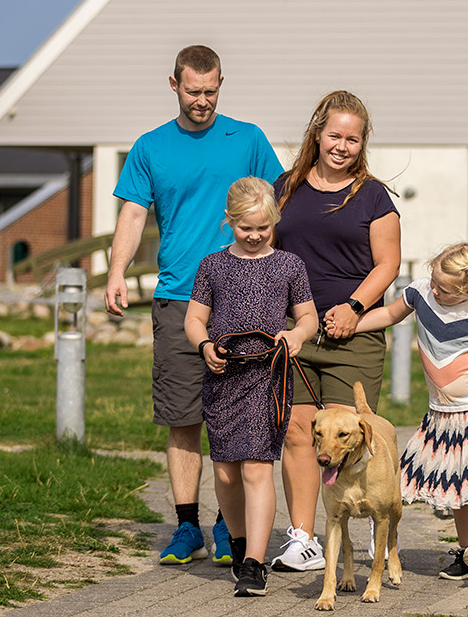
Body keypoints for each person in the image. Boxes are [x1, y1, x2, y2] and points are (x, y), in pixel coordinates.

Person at [103, 45, 284, 567]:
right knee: (183, 417)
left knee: (235, 419)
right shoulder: (150, 147)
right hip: (179, 297)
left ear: (221, 83)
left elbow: (276, 206)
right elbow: (134, 215)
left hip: (243, 298)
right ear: (173, 84)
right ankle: (187, 527)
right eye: (192, 90)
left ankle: (229, 528)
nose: (202, 100)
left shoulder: (247, 138)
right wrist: (117, 271)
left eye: (211, 90)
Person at [268, 90, 401, 572]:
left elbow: (388, 264)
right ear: (317, 133)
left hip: (354, 336)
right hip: (295, 333)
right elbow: (266, 250)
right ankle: (303, 539)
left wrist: (352, 307)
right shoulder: (285, 187)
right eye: (334, 135)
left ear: (362, 143)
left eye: (353, 138)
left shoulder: (372, 195)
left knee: (348, 437)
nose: (342, 146)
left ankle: (366, 541)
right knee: (299, 435)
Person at [353, 242, 468, 579]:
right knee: (457, 484)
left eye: (444, 288)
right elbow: (391, 315)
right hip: (444, 412)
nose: (435, 289)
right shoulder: (421, 292)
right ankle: (467, 557)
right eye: (433, 280)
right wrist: (353, 324)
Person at [184, 177, 318, 597]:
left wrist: (296, 336)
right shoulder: (212, 265)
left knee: (258, 468)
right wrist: (204, 344)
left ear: (274, 221)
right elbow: (193, 319)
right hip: (223, 378)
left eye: (264, 227)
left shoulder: (289, 265)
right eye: (246, 228)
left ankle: (255, 564)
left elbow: (308, 317)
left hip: (268, 379)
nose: (256, 235)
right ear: (229, 222)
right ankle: (240, 544)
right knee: (225, 472)